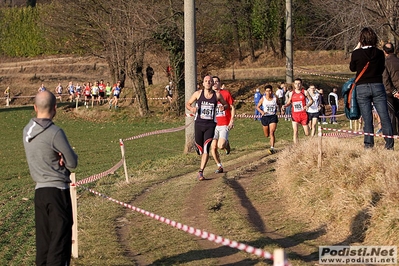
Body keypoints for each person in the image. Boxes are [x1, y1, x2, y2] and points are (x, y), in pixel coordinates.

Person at [23, 90, 78, 266]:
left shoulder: (27, 131)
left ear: (34, 107)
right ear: (55, 108)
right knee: (59, 244)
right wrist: (61, 156)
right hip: (57, 193)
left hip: (39, 192)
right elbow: (72, 162)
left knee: (44, 244)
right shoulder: (55, 132)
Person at [350, 27, 394, 150]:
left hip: (362, 87)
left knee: (367, 117)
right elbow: (381, 69)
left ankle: (368, 144)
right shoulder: (379, 53)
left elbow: (352, 68)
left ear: (361, 39)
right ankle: (389, 144)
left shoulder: (356, 53)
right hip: (377, 85)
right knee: (384, 115)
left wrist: (357, 48)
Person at [186, 75, 229, 181]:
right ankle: (199, 149)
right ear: (203, 83)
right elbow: (188, 104)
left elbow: (227, 105)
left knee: (206, 149)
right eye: (206, 81)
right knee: (199, 148)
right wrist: (192, 109)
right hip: (199, 124)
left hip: (210, 126)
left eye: (210, 81)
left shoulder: (217, 95)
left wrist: (223, 107)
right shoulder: (198, 94)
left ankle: (200, 172)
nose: (208, 82)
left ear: (212, 83)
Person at [210, 76, 235, 174]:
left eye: (217, 82)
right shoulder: (208, 95)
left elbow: (232, 107)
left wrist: (232, 120)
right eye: (213, 82)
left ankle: (227, 144)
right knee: (213, 147)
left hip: (224, 124)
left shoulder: (225, 93)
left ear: (220, 83)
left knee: (221, 146)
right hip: (213, 124)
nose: (215, 83)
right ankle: (219, 166)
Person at [282, 78, 314, 144]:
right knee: (295, 131)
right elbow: (288, 102)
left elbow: (311, 100)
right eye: (296, 84)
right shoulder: (291, 93)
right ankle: (296, 147)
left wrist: (307, 105)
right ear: (294, 84)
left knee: (307, 133)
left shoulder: (304, 92)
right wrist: (284, 106)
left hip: (303, 115)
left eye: (299, 83)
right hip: (295, 115)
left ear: (301, 84)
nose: (297, 85)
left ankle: (310, 141)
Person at [382, 42, 399, 135]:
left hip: (390, 93)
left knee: (391, 114)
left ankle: (393, 134)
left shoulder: (385, 63)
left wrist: (393, 91)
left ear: (385, 51)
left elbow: (385, 80)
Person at [256, 84, 278, 154]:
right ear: (265, 92)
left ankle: (272, 148)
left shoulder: (275, 98)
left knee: (272, 132)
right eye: (267, 91)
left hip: (272, 117)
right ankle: (270, 140)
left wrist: (281, 110)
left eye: (270, 91)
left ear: (272, 91)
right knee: (267, 135)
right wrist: (262, 112)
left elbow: (279, 104)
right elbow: (257, 107)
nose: (269, 92)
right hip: (265, 117)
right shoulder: (263, 99)